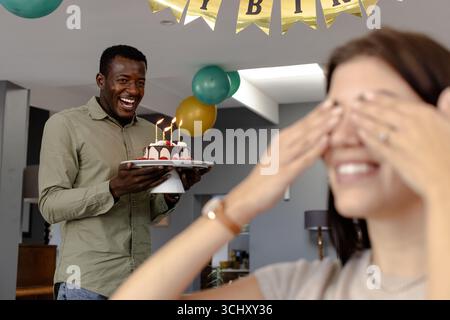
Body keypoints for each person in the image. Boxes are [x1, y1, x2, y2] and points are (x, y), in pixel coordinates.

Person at [111, 29, 450, 300]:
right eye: (334, 114)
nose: (344, 136)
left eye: (376, 112)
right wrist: (237, 205)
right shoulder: (301, 287)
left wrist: (443, 186)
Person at [38, 45, 207, 300]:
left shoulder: (153, 134)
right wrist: (114, 188)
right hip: (87, 285)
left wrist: (173, 193)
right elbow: (50, 204)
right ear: (101, 81)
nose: (134, 91)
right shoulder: (65, 125)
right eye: (123, 81)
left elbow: (144, 211)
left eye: (140, 82)